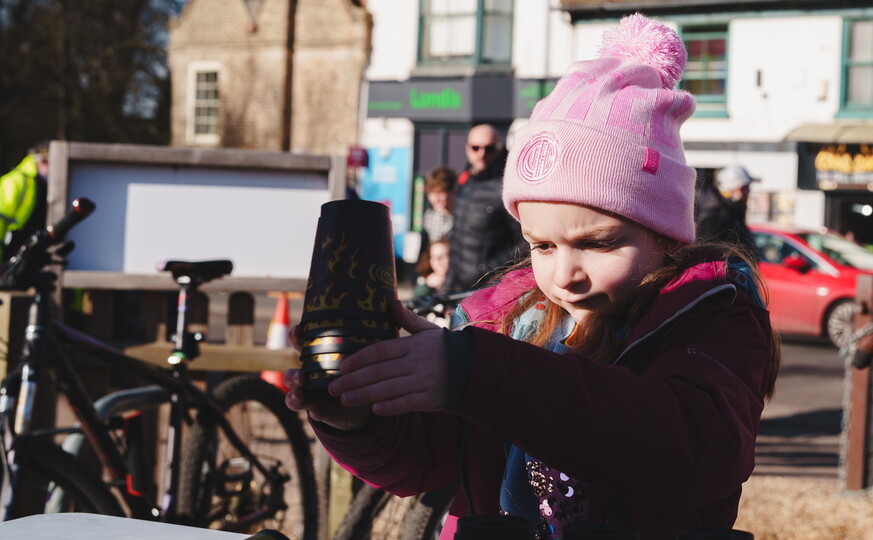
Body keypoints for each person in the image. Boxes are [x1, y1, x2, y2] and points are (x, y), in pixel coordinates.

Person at [285, 13, 779, 540]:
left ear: (667, 237)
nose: (564, 275)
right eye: (542, 245)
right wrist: (364, 420)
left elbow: (690, 455)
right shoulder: (510, 322)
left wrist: (477, 375)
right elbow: (427, 462)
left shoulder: (710, 317)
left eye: (597, 243)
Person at [443, 124, 524, 292]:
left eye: (490, 148)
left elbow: (524, 241)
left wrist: (487, 271)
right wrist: (447, 288)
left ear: (500, 149)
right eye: (475, 148)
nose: (482, 154)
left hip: (491, 292)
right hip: (458, 290)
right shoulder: (464, 184)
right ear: (467, 148)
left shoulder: (508, 186)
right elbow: (458, 239)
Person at [695, 164, 758, 259]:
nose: (749, 191)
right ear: (738, 189)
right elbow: (707, 254)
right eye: (747, 187)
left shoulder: (729, 210)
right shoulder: (716, 214)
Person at [1, 142, 49, 261]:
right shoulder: (15, 181)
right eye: (46, 161)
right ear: (41, 160)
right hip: (9, 256)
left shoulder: (51, 185)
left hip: (31, 258)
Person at [422, 165, 456, 244]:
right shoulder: (429, 217)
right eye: (431, 193)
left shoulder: (464, 217)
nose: (435, 199)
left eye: (440, 193)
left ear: (452, 192)